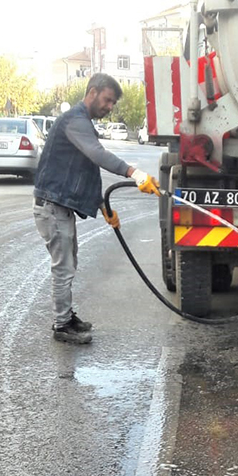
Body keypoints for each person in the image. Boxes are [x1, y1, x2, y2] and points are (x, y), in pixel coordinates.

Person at [33, 73, 160, 344]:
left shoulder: (82, 123)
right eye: (107, 100)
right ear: (92, 92)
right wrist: (135, 173)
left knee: (69, 263)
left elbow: (86, 169)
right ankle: (62, 325)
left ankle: (66, 316)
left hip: (59, 206)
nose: (109, 106)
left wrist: (103, 206)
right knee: (63, 267)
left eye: (113, 103)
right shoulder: (74, 121)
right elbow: (98, 155)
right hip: (52, 206)